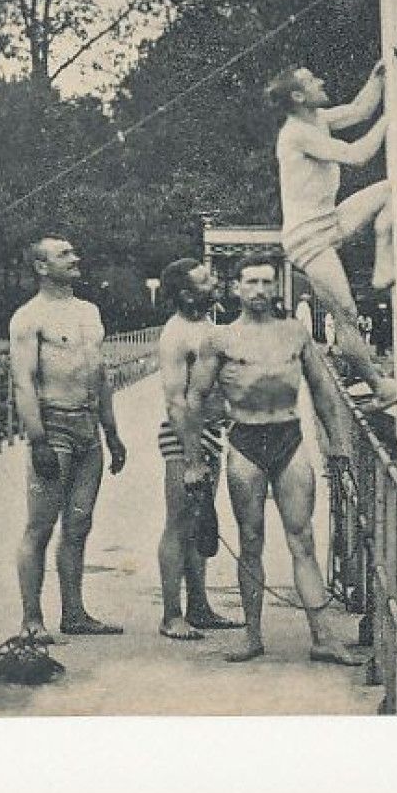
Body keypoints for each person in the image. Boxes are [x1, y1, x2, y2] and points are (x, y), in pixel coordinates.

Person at [186, 253, 361, 665]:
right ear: (237, 288)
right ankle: (252, 636)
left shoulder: (295, 333)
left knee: (302, 540)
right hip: (245, 441)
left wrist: (339, 445)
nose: (260, 291)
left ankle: (322, 637)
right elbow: (194, 398)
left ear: (276, 285)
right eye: (252, 283)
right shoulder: (220, 338)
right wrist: (193, 460)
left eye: (267, 282)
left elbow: (322, 391)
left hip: (289, 438)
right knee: (251, 541)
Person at [11, 235, 127, 642]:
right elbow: (23, 383)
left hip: (88, 428)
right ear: (42, 267)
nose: (76, 258)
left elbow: (101, 375)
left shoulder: (90, 312)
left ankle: (74, 613)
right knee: (40, 526)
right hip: (53, 426)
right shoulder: (29, 317)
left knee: (78, 524)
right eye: (64, 254)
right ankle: (31, 618)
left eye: (74, 251)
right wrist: (38, 439)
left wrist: (112, 433)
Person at [268, 61, 397, 404]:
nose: (322, 80)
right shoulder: (296, 133)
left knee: (394, 189)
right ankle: (378, 386)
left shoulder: (319, 119)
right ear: (299, 96)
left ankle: (383, 257)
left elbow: (359, 110)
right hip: (307, 238)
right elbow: (357, 156)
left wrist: (377, 78)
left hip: (331, 220)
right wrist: (393, 117)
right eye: (313, 80)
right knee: (346, 312)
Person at [152, 258, 242, 641]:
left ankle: (199, 607)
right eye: (206, 280)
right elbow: (175, 402)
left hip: (209, 434)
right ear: (187, 294)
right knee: (178, 524)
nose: (216, 282)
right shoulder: (177, 335)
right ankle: (172, 616)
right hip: (184, 436)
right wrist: (190, 459)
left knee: (199, 521)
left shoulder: (208, 326)